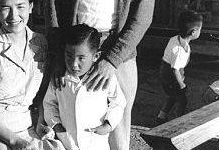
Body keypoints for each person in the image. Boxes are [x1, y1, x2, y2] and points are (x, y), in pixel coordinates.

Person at [44, 0, 155, 149]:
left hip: (119, 46)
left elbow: (142, 18)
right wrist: (59, 52)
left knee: (117, 123)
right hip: (75, 45)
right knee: (69, 117)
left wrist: (112, 60)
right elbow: (51, 7)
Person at [0, 0, 65, 149]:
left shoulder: (42, 43)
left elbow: (40, 94)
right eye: (5, 7)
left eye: (20, 6)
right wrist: (15, 142)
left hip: (25, 127)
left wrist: (39, 121)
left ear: (31, 7)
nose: (14, 15)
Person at [43, 24, 127, 150]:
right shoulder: (59, 78)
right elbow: (49, 104)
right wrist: (57, 126)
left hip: (96, 143)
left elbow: (118, 102)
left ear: (96, 56)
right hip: (67, 143)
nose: (74, 64)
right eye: (69, 55)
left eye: (81, 58)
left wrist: (108, 125)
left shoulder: (105, 78)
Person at [155, 10, 203, 125]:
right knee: (182, 99)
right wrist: (182, 85)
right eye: (200, 29)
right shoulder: (179, 50)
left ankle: (161, 116)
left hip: (165, 71)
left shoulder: (175, 38)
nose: (201, 31)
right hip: (172, 76)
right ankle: (178, 122)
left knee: (172, 95)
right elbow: (175, 69)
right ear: (193, 32)